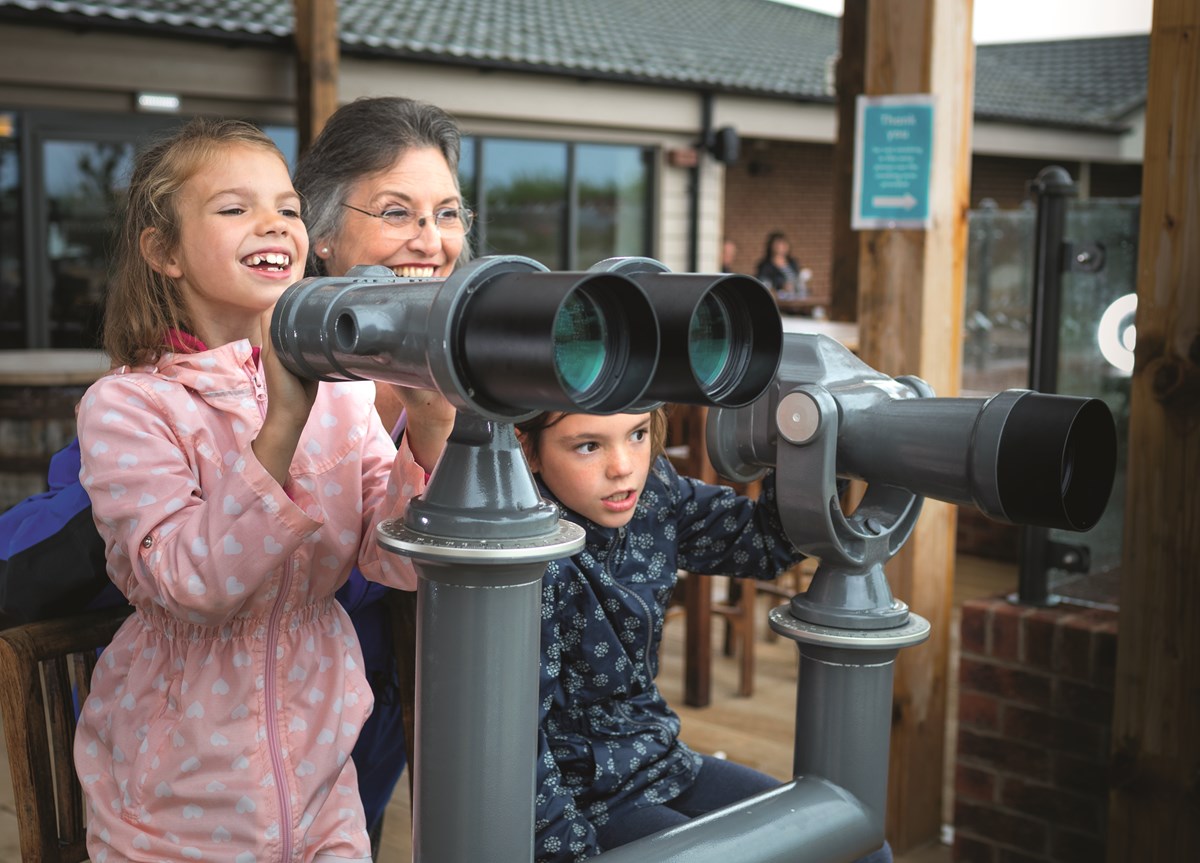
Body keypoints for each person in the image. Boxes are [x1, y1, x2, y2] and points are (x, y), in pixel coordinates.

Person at [71, 117, 429, 862]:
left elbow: (394, 559)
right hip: (173, 806)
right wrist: (282, 423)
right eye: (235, 208)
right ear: (163, 250)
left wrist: (430, 427)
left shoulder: (342, 394)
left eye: (288, 208)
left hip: (322, 785)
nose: (273, 222)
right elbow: (192, 585)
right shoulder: (130, 407)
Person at [514, 408, 893, 863]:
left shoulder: (653, 490)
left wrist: (810, 435)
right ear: (527, 449)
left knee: (858, 843)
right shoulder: (526, 561)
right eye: (588, 446)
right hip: (578, 798)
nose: (623, 467)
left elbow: (767, 541)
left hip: (659, 758)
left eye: (637, 435)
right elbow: (513, 748)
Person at [754, 230, 802, 295]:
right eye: (778, 244)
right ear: (771, 246)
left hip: (795, 298)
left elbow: (798, 281)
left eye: (783, 243)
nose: (781, 247)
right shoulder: (765, 265)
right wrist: (780, 286)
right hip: (778, 300)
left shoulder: (793, 263)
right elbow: (763, 283)